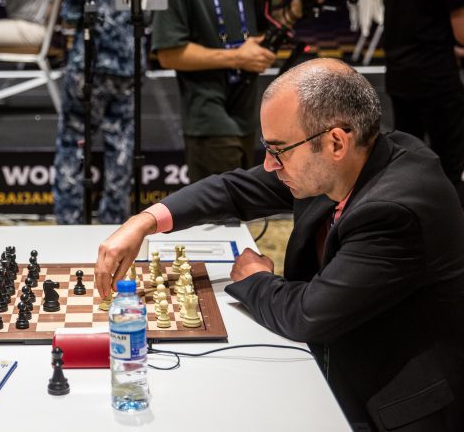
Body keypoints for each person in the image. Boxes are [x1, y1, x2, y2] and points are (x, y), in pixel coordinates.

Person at [95, 59, 464, 430]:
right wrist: (143, 222)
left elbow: (307, 315)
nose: (270, 165)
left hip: (390, 407)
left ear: (336, 141)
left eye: (278, 150)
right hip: (333, 367)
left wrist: (255, 277)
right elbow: (233, 189)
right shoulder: (343, 163)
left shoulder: (395, 209)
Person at [152, 0, 277, 183]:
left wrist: (296, 10)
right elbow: (168, 54)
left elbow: (260, 32)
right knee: (220, 218)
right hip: (208, 118)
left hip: (248, 115)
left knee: (242, 214)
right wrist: (236, 57)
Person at [52, 0, 151, 224]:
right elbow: (145, 17)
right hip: (127, 68)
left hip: (89, 68)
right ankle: (113, 223)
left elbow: (70, 14)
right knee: (121, 145)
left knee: (73, 143)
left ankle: (69, 222)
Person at [384, 0, 464, 205]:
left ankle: (407, 226)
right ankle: (452, 237)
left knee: (404, 161)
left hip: (399, 75)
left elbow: (410, 19)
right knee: (449, 163)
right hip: (436, 80)